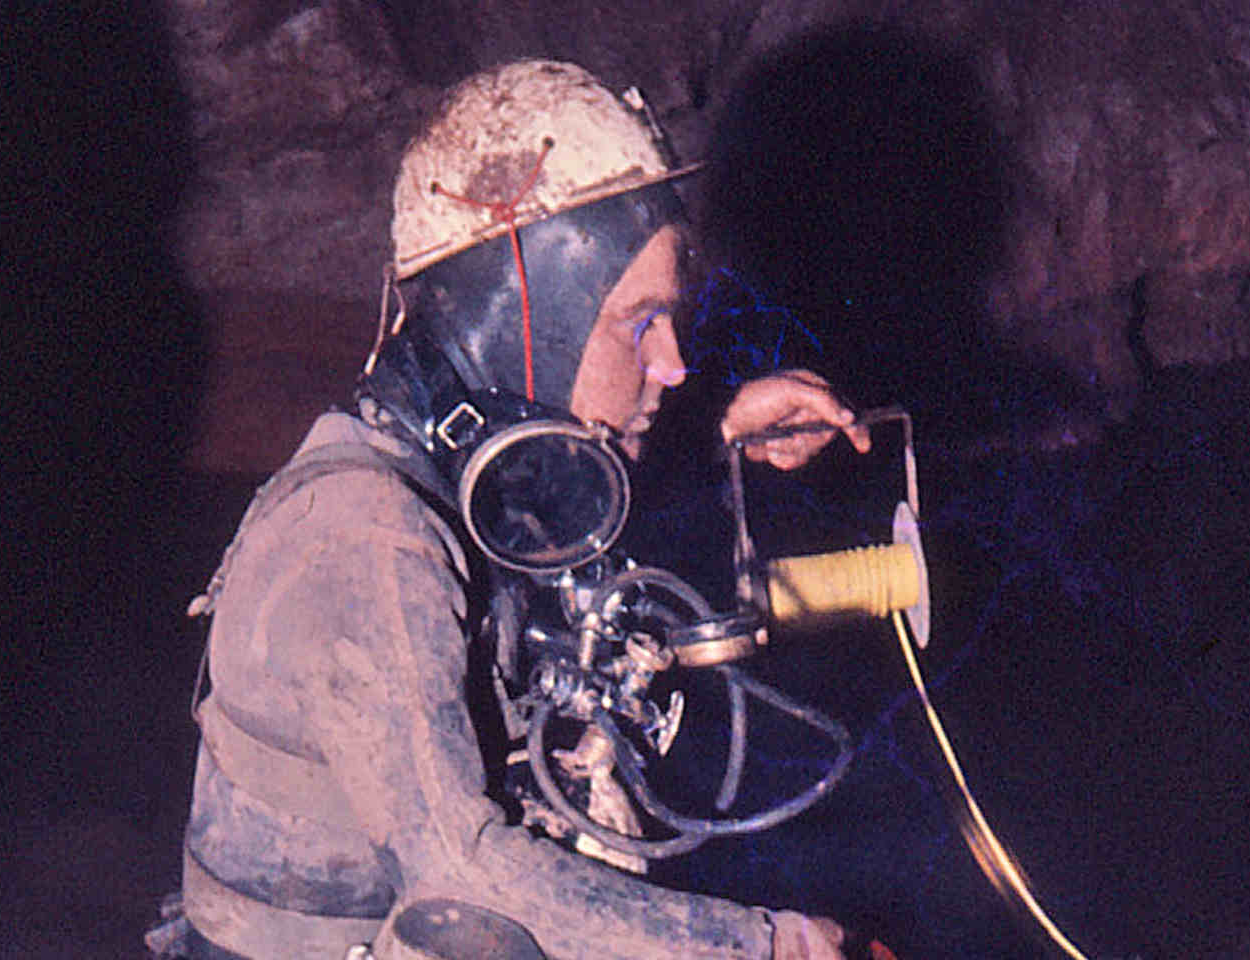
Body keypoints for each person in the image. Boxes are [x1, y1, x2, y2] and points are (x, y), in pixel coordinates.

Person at [152, 60, 869, 960]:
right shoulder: (365, 542)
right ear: (529, 320)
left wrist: (716, 427)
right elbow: (464, 878)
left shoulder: (454, 463)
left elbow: (556, 481)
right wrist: (768, 949)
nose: (675, 363)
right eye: (638, 323)